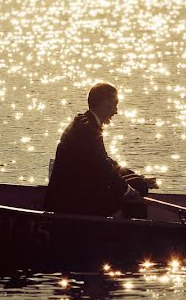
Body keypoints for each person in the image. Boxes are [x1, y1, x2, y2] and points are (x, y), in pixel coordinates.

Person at [44, 83, 156, 217]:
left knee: (137, 183)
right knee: (138, 188)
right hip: (72, 201)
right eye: (114, 105)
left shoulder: (84, 122)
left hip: (75, 192)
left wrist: (138, 177)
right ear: (104, 103)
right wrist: (129, 190)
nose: (116, 111)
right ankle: (132, 233)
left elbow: (105, 161)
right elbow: (104, 167)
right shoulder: (88, 129)